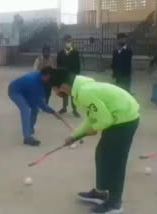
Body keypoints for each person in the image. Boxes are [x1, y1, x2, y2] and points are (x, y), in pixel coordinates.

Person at [50, 70, 140, 214]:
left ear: (64, 85)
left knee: (115, 161)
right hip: (116, 118)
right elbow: (91, 117)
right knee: (102, 154)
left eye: (56, 89)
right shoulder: (79, 91)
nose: (56, 93)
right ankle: (102, 192)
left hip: (125, 119)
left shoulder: (85, 92)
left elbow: (105, 120)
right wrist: (75, 135)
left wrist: (94, 129)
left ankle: (115, 203)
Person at [8, 67, 61, 146]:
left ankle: (29, 129)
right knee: (25, 110)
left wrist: (52, 112)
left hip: (26, 90)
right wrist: (53, 112)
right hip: (15, 90)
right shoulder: (34, 83)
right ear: (44, 76)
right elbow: (41, 103)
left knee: (35, 109)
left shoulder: (42, 79)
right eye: (49, 77)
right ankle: (27, 138)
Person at [57, 35, 81, 117]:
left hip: (73, 76)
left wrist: (77, 76)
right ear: (64, 42)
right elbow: (58, 66)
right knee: (64, 92)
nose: (69, 43)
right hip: (64, 76)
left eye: (70, 41)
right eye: (67, 41)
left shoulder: (75, 53)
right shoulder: (60, 53)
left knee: (73, 93)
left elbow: (78, 66)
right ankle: (64, 108)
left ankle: (74, 109)